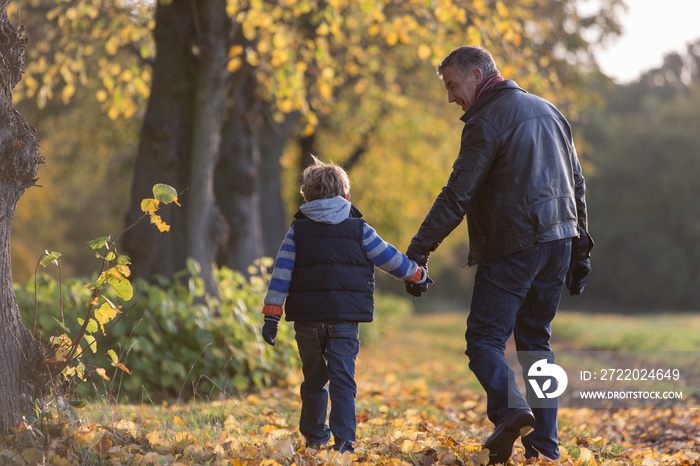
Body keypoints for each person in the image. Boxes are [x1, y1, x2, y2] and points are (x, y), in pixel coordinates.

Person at [405, 46, 593, 464]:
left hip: (513, 242)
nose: (451, 97)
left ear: (476, 75)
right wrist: (580, 249)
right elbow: (577, 184)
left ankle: (511, 412)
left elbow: (458, 194)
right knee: (536, 343)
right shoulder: (550, 110)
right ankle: (545, 447)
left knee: (484, 339)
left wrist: (419, 250)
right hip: (559, 239)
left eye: (453, 86)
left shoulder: (485, 121)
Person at [260, 155, 432, 454]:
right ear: (346, 196)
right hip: (344, 320)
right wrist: (417, 275)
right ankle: (344, 444)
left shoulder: (297, 232)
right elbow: (389, 258)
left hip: (308, 322)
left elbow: (281, 275)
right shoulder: (359, 228)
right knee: (343, 382)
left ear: (307, 196)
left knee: (314, 381)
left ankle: (315, 438)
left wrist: (271, 317)